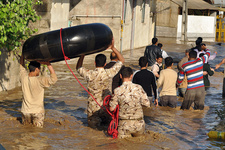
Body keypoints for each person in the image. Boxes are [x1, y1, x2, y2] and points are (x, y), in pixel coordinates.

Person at [76, 38, 124, 129]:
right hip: (106, 108)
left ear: (94, 63)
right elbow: (121, 60)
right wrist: (113, 48)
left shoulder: (90, 74)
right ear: (105, 64)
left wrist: (82, 55)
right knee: (107, 130)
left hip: (93, 109)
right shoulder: (109, 73)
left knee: (92, 133)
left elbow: (78, 67)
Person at [109, 67, 150, 138]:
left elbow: (111, 109)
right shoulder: (139, 88)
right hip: (138, 123)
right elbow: (147, 104)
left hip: (124, 124)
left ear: (120, 76)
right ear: (132, 75)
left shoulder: (117, 90)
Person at [20, 55, 57, 128]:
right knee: (37, 135)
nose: (39, 71)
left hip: (25, 111)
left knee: (25, 133)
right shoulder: (40, 80)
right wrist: (48, 64)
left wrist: (22, 56)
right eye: (39, 69)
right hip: (37, 112)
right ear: (36, 69)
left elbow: (21, 66)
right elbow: (54, 79)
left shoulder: (23, 77)